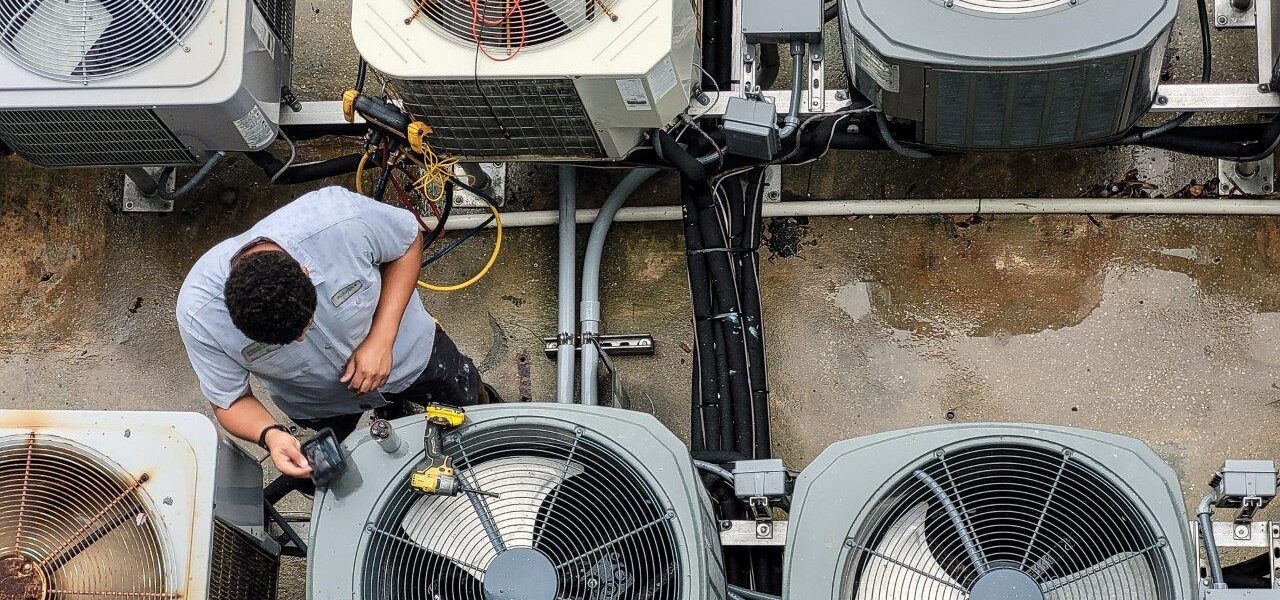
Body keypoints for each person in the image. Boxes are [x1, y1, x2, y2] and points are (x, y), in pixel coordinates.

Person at [177, 186, 495, 488]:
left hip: (412, 357)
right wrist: (270, 435)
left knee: (473, 411)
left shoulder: (339, 219)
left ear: (304, 271)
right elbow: (230, 400)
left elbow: (408, 242)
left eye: (306, 322)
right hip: (321, 405)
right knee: (339, 477)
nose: (303, 339)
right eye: (283, 345)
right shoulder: (200, 316)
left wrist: (382, 339)